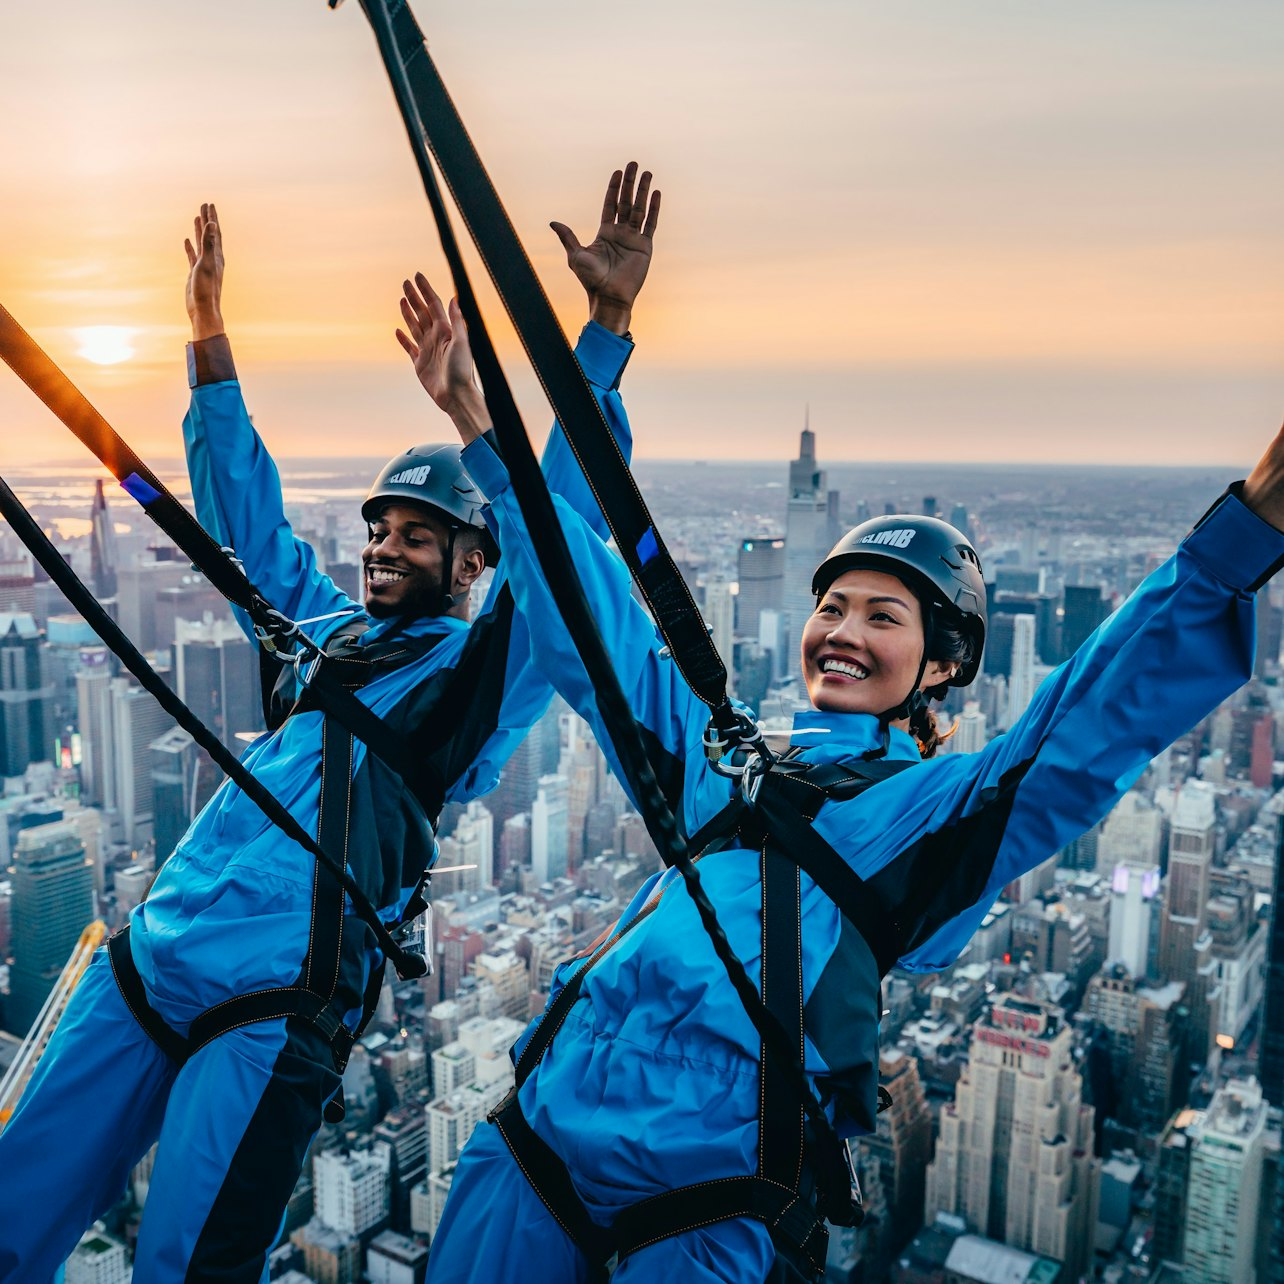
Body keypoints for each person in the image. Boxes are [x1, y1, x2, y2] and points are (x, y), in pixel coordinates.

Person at [396, 273, 1284, 1283]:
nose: (843, 632)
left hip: (704, 1189)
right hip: (538, 1133)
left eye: (883, 616)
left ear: (941, 663)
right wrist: (475, 418)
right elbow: (590, 615)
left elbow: (1081, 729)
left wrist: (1244, 533)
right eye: (834, 607)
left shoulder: (927, 816)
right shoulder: (721, 764)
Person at [0, 163, 661, 1282]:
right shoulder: (324, 634)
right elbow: (246, 520)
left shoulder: (477, 680)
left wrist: (602, 332)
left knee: (183, 1269)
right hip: (156, 955)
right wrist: (209, 338)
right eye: (377, 531)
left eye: (414, 536)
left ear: (469, 560)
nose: (383, 549)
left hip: (273, 1002)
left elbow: (563, 537)